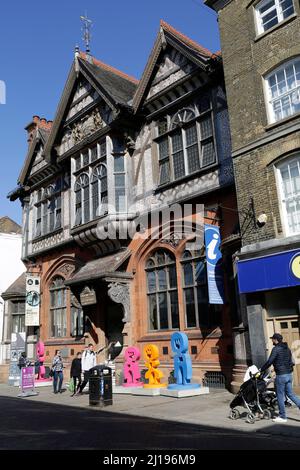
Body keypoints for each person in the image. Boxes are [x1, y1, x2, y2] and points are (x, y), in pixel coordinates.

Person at [260, 333, 300, 423]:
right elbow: (291, 362)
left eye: (272, 339)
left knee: (280, 396)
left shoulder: (276, 349)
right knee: (291, 395)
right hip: (289, 374)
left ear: (276, 340)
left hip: (281, 376)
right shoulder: (287, 349)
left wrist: (261, 370)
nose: (272, 341)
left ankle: (282, 416)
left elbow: (270, 361)